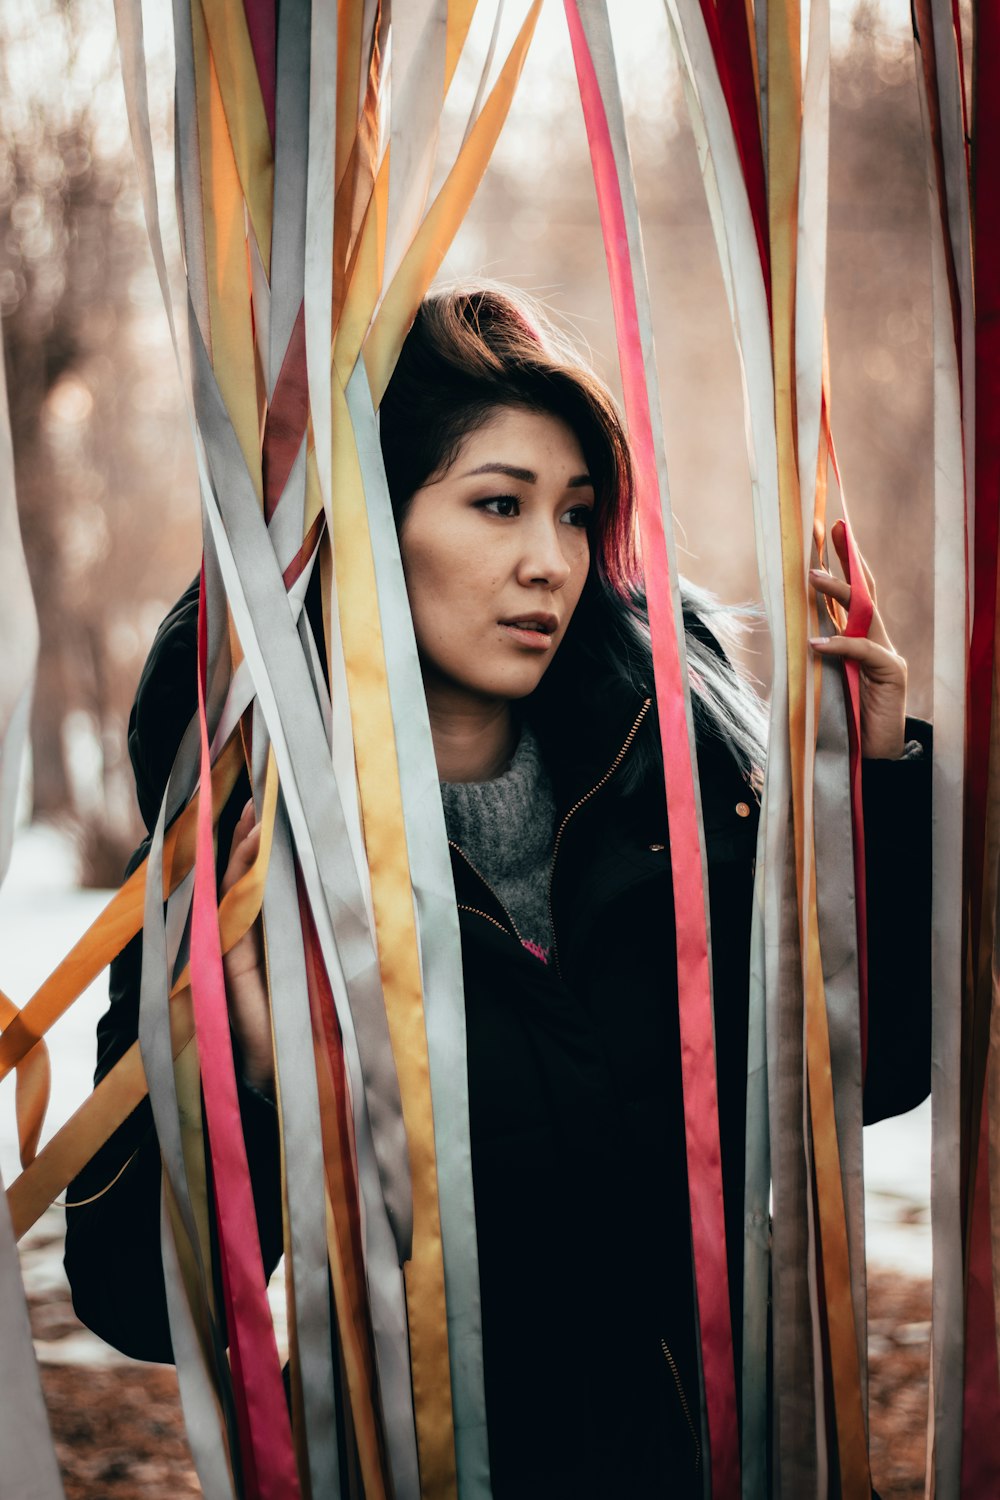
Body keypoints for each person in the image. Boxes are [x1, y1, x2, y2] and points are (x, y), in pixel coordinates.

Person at [64, 286, 931, 1497]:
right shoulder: (251, 852)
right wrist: (254, 1083)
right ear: (360, 523)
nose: (551, 561)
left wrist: (869, 784)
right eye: (497, 504)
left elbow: (869, 1077)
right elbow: (131, 1300)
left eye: (578, 514)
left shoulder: (668, 789)